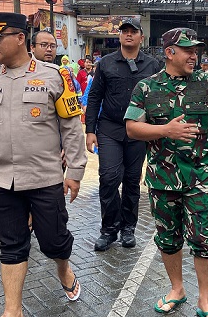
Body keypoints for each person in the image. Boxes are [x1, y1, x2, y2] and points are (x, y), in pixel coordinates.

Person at [0, 12, 86, 310]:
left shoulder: (55, 76)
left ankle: (63, 267)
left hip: (45, 178)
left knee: (53, 242)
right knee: (11, 246)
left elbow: (71, 128)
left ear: (20, 38)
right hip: (1, 180)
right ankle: (12, 309)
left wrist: (75, 171)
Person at [125, 28, 208, 317]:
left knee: (205, 239)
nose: (194, 55)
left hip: (200, 177)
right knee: (168, 238)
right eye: (187, 50)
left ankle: (205, 300)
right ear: (169, 52)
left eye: (195, 50)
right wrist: (164, 130)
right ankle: (177, 289)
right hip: (162, 178)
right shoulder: (146, 87)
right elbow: (132, 128)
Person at [83, 17, 159, 252]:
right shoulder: (105, 63)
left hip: (138, 131)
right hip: (109, 129)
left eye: (133, 31)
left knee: (132, 181)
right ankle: (108, 229)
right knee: (108, 177)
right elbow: (94, 97)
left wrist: (158, 132)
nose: (128, 35)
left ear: (141, 37)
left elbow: (158, 98)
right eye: (124, 31)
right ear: (119, 36)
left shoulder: (153, 65)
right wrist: (89, 130)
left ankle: (128, 228)